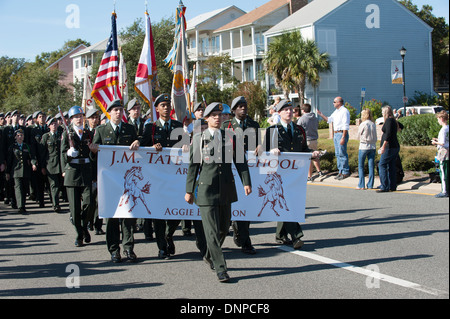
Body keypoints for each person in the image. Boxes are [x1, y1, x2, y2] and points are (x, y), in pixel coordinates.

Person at [185, 102, 252, 283]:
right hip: (206, 189)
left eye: (219, 114)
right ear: (206, 119)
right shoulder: (199, 138)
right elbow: (193, 167)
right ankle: (221, 268)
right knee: (212, 231)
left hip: (226, 189)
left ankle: (209, 254)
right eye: (213, 115)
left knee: (223, 228)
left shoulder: (231, 137)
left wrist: (246, 182)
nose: (217, 117)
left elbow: (241, 162)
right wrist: (189, 191)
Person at [264, 100, 320, 249]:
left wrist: (312, 153)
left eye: (291, 110)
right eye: (286, 110)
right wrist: (272, 151)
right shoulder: (272, 130)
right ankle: (296, 236)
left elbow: (303, 149)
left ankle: (281, 235)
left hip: (296, 173)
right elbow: (264, 153)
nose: (289, 112)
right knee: (288, 203)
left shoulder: (299, 130)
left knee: (289, 202)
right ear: (279, 113)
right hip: (279, 175)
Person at [139, 93, 189, 259]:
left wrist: (185, 146)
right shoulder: (150, 128)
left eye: (168, 105)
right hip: (157, 177)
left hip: (175, 176)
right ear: (157, 108)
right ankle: (162, 246)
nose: (166, 108)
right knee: (159, 213)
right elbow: (142, 151)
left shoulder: (177, 126)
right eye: (163, 105)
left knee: (176, 212)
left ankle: (169, 234)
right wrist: (152, 146)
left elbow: (186, 145)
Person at [90, 99, 140, 262]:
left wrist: (137, 142)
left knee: (128, 215)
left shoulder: (130, 129)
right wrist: (93, 150)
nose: (119, 112)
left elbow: (139, 153)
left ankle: (128, 248)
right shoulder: (101, 130)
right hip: (109, 180)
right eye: (115, 110)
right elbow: (93, 156)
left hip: (126, 179)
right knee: (111, 216)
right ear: (109, 112)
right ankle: (113, 249)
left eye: (121, 110)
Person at [222, 96, 260, 255]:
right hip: (230, 170)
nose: (243, 109)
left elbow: (258, 144)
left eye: (245, 106)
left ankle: (245, 241)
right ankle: (228, 232)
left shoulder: (254, 125)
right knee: (229, 207)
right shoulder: (227, 125)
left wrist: (260, 145)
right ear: (234, 110)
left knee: (245, 205)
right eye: (240, 106)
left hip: (247, 170)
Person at [61, 106, 95, 247]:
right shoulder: (66, 133)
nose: (79, 118)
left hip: (86, 170)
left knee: (90, 203)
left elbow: (93, 151)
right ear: (71, 119)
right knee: (74, 208)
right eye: (76, 116)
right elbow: (62, 152)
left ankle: (84, 224)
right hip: (73, 171)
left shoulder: (88, 133)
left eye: (81, 116)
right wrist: (68, 154)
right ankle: (80, 234)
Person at [317, 97, 350, 180]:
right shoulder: (336, 112)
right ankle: (340, 171)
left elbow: (345, 126)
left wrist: (343, 137)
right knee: (338, 154)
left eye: (334, 102)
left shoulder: (344, 111)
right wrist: (321, 114)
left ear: (339, 102)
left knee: (342, 153)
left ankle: (345, 172)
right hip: (336, 134)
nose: (333, 103)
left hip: (341, 133)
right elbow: (329, 120)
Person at [6, 129, 37, 214]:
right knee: (18, 188)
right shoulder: (12, 147)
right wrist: (7, 172)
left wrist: (33, 164)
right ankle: (20, 206)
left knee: (24, 189)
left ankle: (23, 204)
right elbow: (9, 160)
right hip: (15, 171)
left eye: (22, 135)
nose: (20, 137)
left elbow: (32, 157)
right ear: (15, 137)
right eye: (18, 135)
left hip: (25, 171)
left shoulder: (27, 146)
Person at [40, 117, 62, 212]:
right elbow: (42, 153)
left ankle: (53, 199)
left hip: (60, 164)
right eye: (52, 124)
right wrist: (42, 166)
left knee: (59, 185)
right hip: (51, 164)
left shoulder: (60, 135)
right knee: (54, 185)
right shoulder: (46, 136)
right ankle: (55, 204)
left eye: (55, 123)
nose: (54, 125)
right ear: (48, 126)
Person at [377, 106, 400, 193]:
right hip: (395, 146)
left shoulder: (389, 121)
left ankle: (384, 186)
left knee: (382, 165)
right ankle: (392, 185)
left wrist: (383, 146)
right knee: (391, 166)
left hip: (389, 147)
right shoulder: (393, 120)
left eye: (383, 112)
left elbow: (388, 135)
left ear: (386, 112)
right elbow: (400, 126)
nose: (382, 114)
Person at [297, 103, 323, 181]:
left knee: (308, 159)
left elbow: (298, 129)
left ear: (303, 110)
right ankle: (319, 172)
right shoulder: (314, 117)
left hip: (307, 140)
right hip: (314, 139)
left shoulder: (302, 119)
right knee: (315, 156)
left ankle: (309, 176)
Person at [356, 109, 377, 190]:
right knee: (371, 166)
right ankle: (370, 184)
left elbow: (358, 135)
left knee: (361, 166)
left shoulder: (363, 124)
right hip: (372, 146)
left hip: (364, 146)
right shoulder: (373, 124)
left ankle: (361, 184)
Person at [432, 111, 449, 198]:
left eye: (438, 119)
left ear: (441, 119)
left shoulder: (443, 130)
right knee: (447, 170)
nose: (438, 121)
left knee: (443, 171)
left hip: (444, 151)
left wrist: (435, 142)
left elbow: (442, 142)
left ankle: (444, 191)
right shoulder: (448, 128)